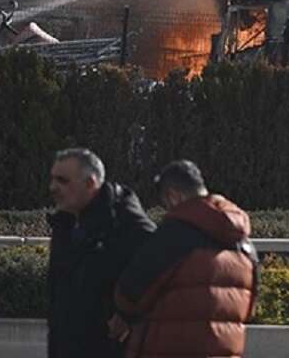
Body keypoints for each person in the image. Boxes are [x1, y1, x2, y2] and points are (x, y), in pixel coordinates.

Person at [113, 160, 259, 358]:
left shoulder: (173, 238)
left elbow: (130, 295)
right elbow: (250, 308)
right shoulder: (245, 246)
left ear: (173, 196)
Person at [47, 148, 156, 358]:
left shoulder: (123, 220)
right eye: (52, 179)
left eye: (62, 180)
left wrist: (127, 313)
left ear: (90, 183)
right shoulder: (65, 224)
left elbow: (161, 263)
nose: (53, 187)